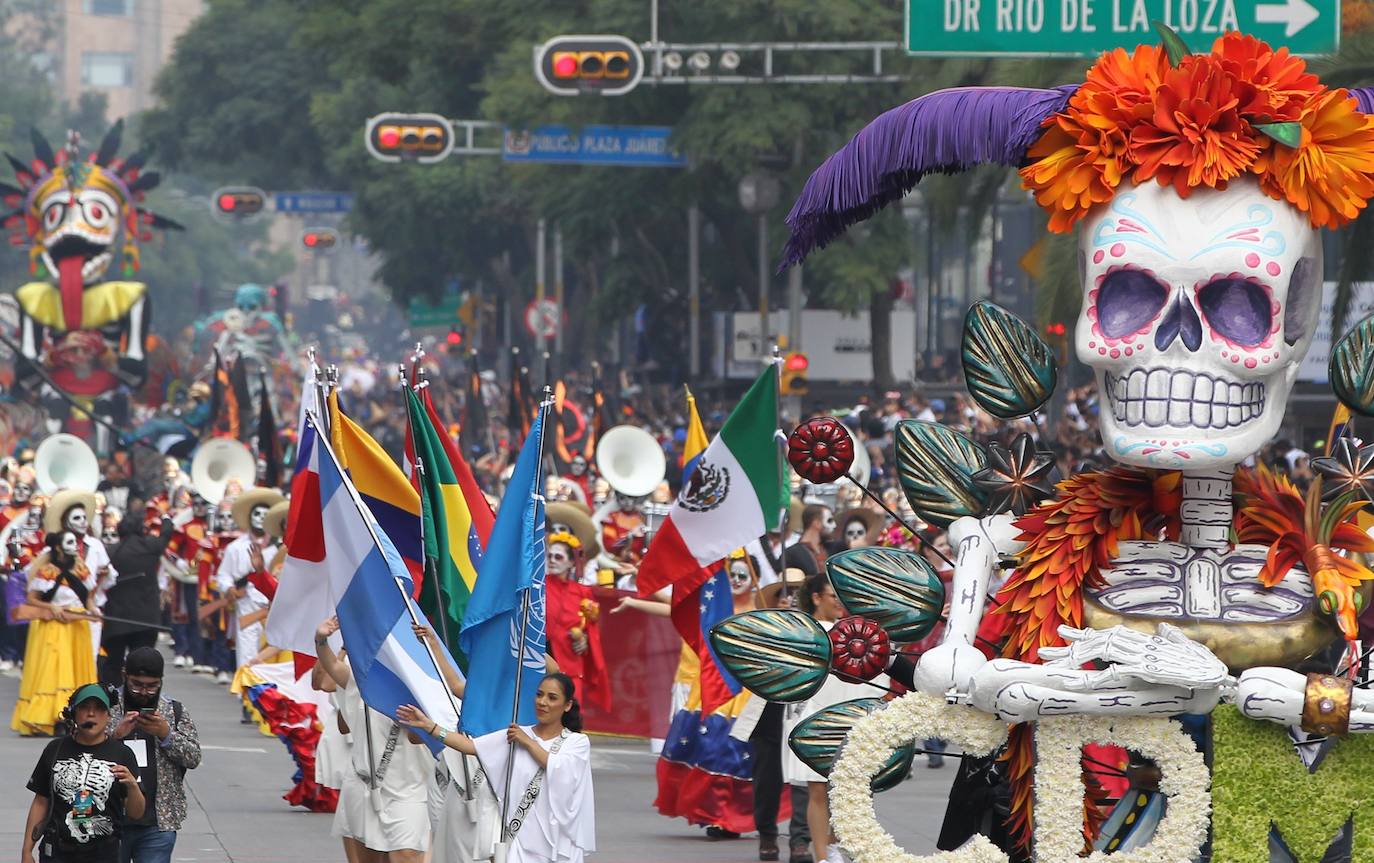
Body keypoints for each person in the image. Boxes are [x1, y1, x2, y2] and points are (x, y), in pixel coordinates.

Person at [396, 672, 596, 863]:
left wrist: (528, 743)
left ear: (567, 705)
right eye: (539, 695)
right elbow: (470, 746)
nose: (543, 702)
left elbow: (561, 769)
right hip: (518, 842)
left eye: (552, 698)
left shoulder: (576, 742)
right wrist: (430, 727)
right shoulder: (516, 733)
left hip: (558, 843)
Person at [315, 617, 431, 863]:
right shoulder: (359, 677)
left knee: (407, 854)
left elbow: (416, 738)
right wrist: (322, 639)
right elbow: (330, 672)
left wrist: (415, 719)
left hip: (407, 789)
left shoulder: (420, 685)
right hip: (364, 784)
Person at [22, 683, 145, 863]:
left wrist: (132, 786)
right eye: (84, 708)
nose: (91, 714)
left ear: (108, 715)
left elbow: (137, 813)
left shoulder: (122, 753)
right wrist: (26, 851)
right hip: (57, 851)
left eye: (99, 708)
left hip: (104, 854)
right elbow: (41, 801)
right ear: (73, 713)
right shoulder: (55, 749)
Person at [107, 647, 202, 863]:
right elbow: (83, 750)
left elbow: (194, 757)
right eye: (136, 685)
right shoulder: (107, 707)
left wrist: (166, 734)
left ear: (161, 681)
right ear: (124, 675)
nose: (143, 692)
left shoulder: (174, 710)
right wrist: (115, 735)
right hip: (110, 818)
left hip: (158, 821)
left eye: (152, 686)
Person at [11, 531, 99, 736]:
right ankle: (54, 717)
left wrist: (92, 609)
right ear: (58, 547)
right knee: (55, 670)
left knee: (74, 669)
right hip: (53, 626)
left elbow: (88, 597)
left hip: (77, 625)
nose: (75, 546)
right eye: (69, 542)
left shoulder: (81, 569)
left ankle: (76, 718)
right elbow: (32, 599)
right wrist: (51, 607)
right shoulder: (47, 571)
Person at [100, 516, 175, 687]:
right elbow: (166, 534)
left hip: (116, 618)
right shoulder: (150, 546)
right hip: (145, 618)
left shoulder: (110, 552)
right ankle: (140, 701)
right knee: (142, 664)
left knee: (114, 664)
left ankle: (113, 701)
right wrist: (165, 519)